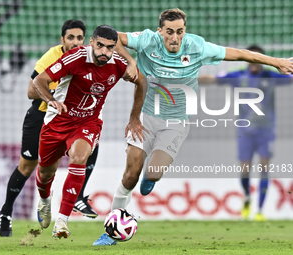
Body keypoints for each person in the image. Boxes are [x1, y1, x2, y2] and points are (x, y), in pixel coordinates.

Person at [93, 8, 293, 245]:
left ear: (184, 31)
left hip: (177, 122)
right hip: (146, 117)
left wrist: (276, 62)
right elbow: (110, 36)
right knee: (130, 175)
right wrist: (131, 61)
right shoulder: (147, 40)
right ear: (161, 31)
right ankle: (110, 231)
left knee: (153, 173)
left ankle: (151, 176)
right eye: (169, 32)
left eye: (179, 32)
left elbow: (239, 54)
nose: (174, 38)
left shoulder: (197, 47)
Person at [32, 24, 145, 239]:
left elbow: (142, 82)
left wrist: (134, 117)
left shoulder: (118, 64)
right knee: (46, 172)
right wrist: (51, 100)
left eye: (110, 48)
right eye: (100, 46)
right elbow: (39, 80)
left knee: (80, 157)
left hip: (88, 122)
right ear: (91, 42)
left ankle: (62, 221)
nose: (104, 52)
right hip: (58, 120)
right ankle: (45, 200)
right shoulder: (76, 58)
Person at [0, 20, 99, 237]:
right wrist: (54, 93)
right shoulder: (51, 57)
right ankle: (6, 211)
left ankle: (78, 197)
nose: (75, 42)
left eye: (79, 38)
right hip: (43, 115)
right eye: (70, 38)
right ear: (62, 40)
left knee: (90, 146)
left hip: (72, 119)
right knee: (27, 166)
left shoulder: (89, 57)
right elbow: (31, 91)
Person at [198, 45, 293, 221]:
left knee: (264, 168)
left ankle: (259, 211)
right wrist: (187, 79)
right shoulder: (237, 75)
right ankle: (247, 198)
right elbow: (211, 79)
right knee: (245, 170)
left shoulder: (271, 76)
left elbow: (290, 78)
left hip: (266, 131)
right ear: (248, 60)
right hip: (245, 132)